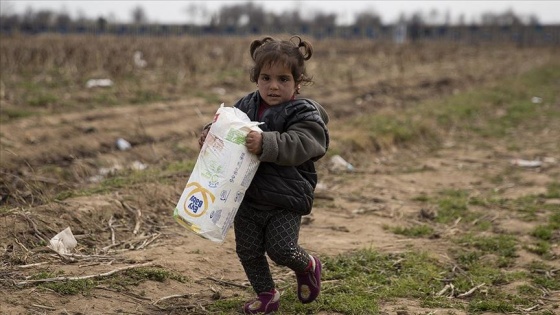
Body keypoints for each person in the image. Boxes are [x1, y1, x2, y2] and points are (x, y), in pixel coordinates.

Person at [198, 35, 329, 314]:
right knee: (248, 251)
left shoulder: (303, 112)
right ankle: (267, 294)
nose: (273, 86)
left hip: (284, 199)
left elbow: (306, 144)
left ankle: (308, 265)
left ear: (298, 82)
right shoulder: (245, 105)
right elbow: (226, 123)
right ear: (256, 78)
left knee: (281, 250)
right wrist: (212, 135)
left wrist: (266, 142)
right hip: (245, 195)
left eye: (283, 79)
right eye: (266, 78)